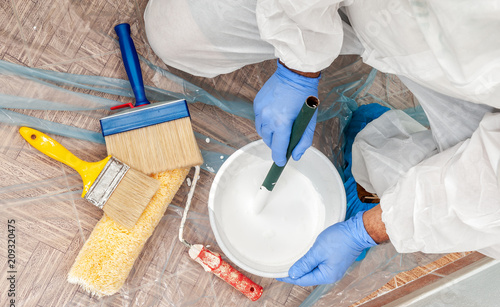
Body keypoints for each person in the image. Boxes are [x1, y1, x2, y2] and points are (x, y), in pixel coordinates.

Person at [144, 0, 500, 286]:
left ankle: (377, 176)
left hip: (467, 83)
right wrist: (298, 68)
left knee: (478, 219)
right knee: (175, 33)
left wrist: (369, 231)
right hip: (370, 10)